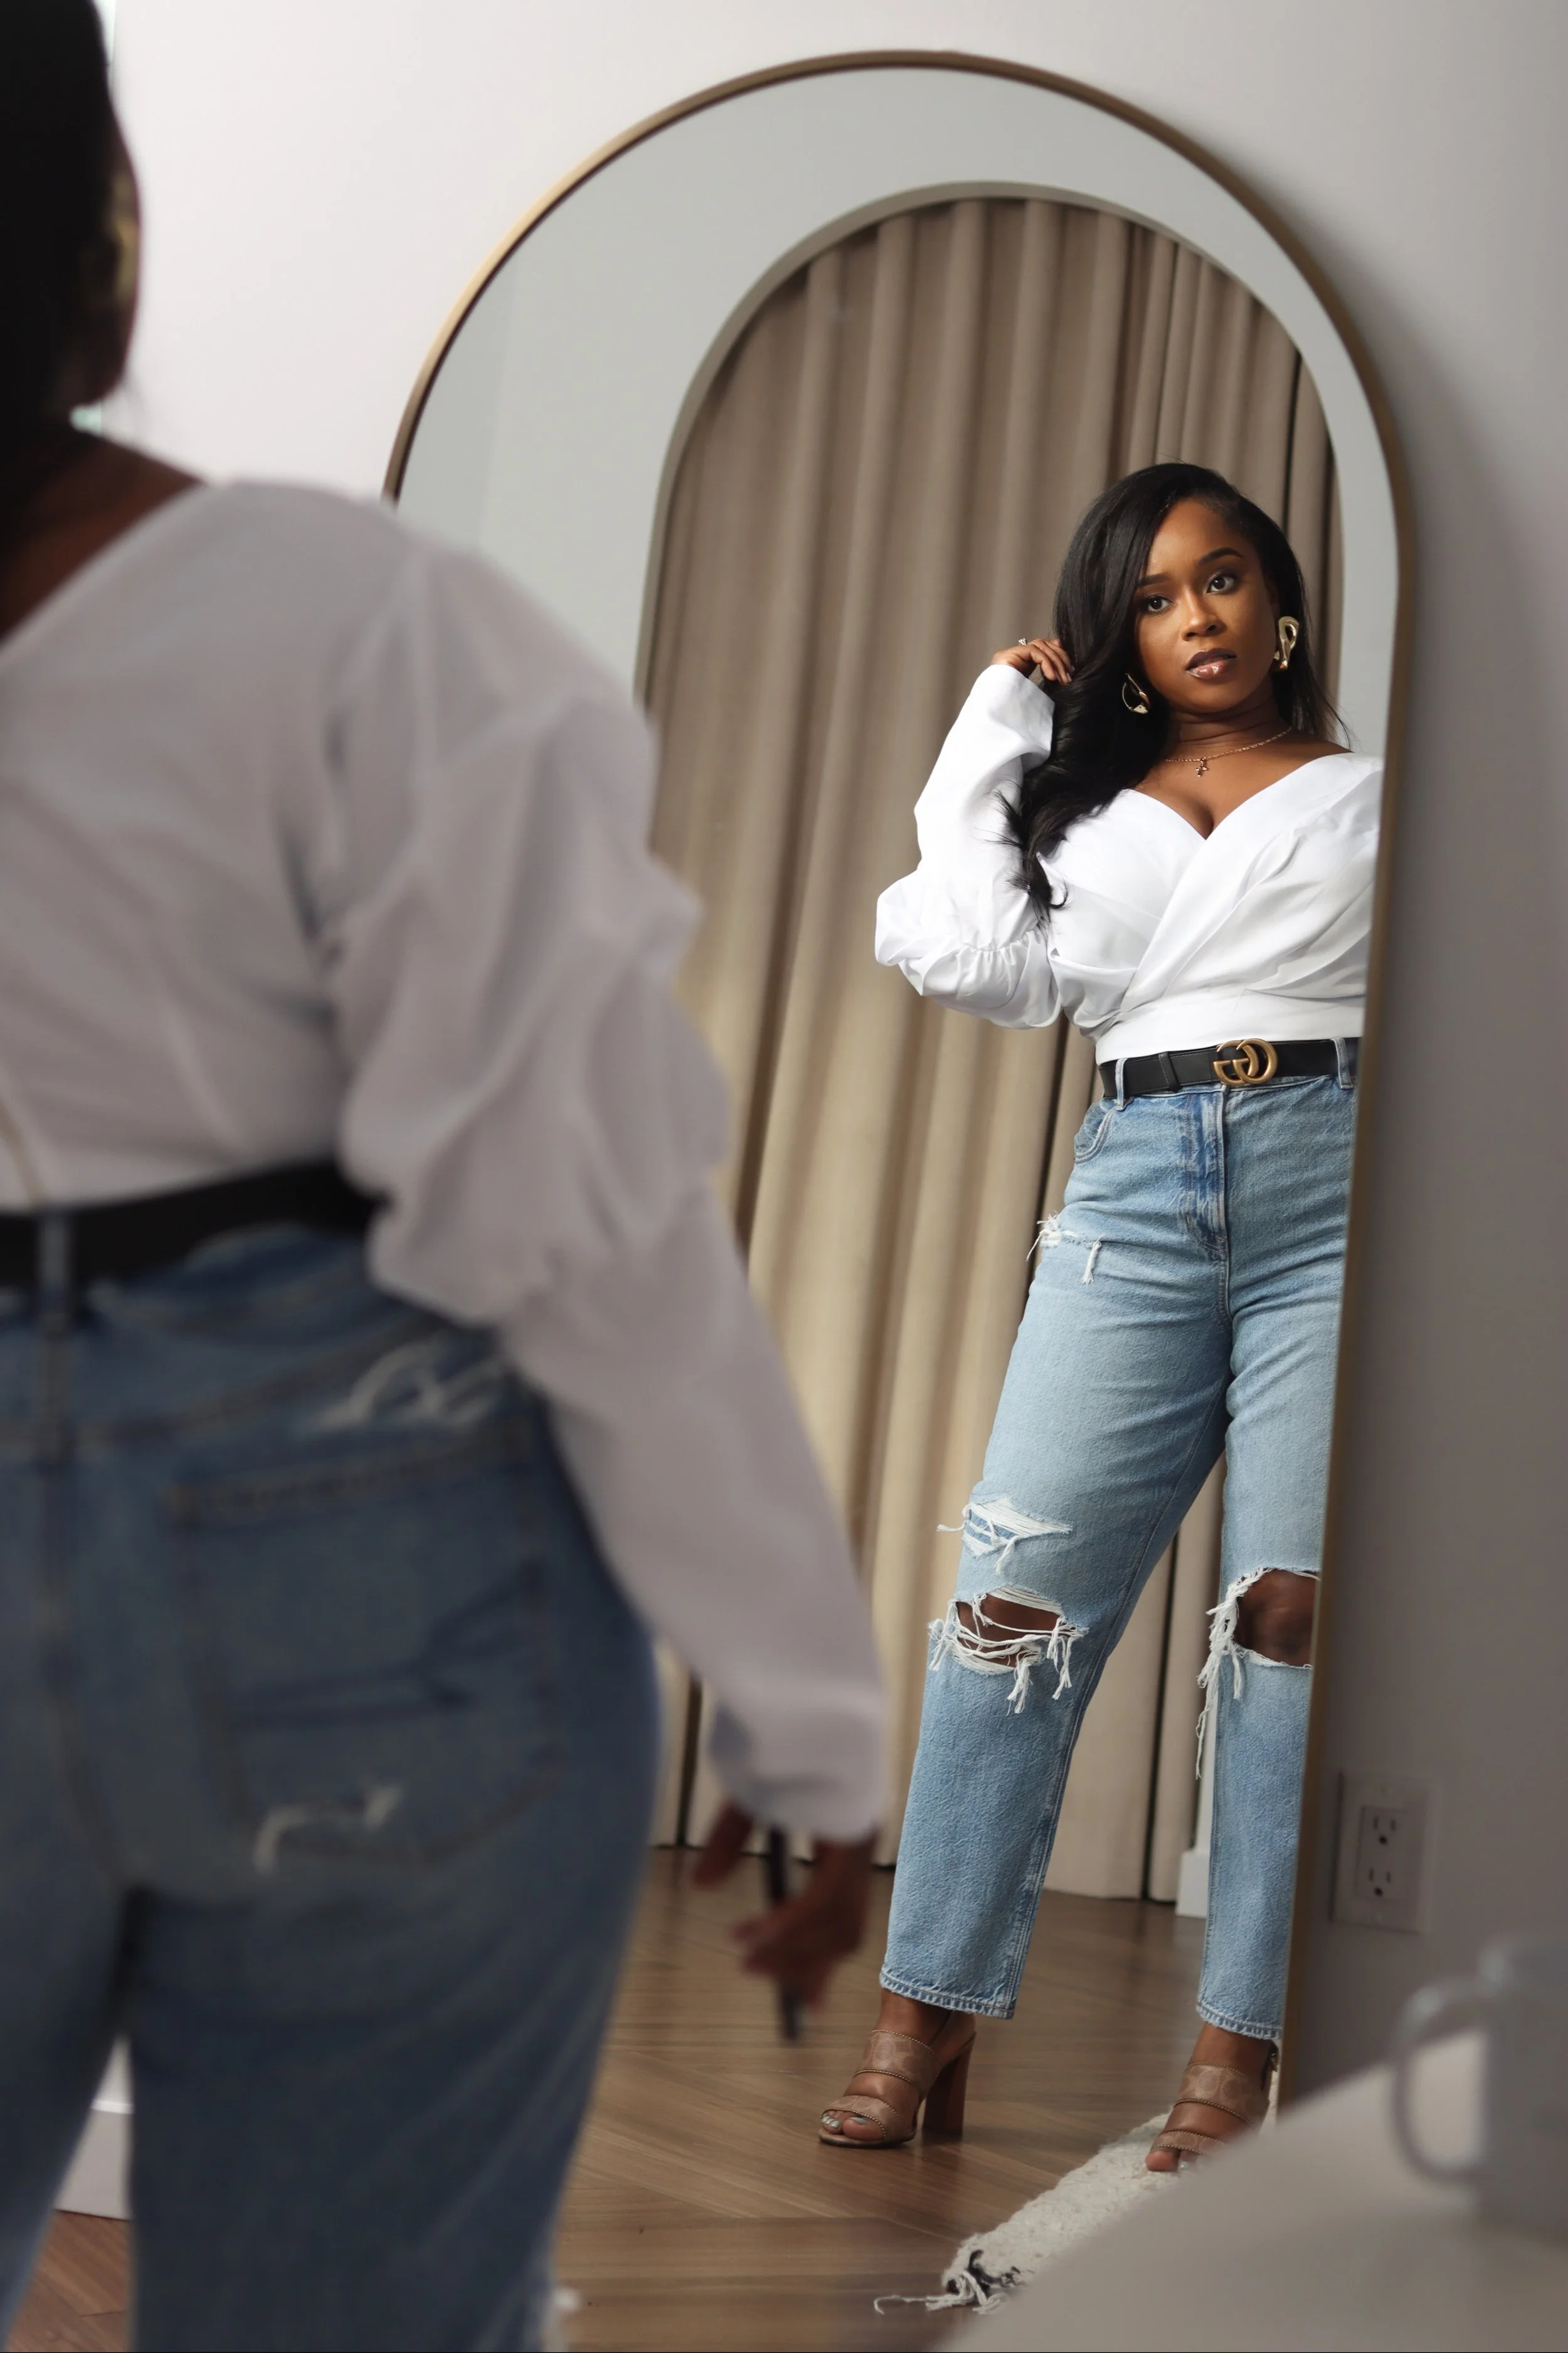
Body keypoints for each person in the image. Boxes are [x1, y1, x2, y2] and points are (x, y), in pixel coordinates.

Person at [0, 7, 881, 2347]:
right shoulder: (354, 627)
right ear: (98, 237)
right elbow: (581, 1223)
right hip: (372, 1564)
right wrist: (806, 1714)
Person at [819, 460, 1380, 2168]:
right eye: (1150, 595)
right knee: (1010, 1608)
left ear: (1276, 600)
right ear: (1114, 638)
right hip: (1136, 1178)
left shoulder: (1371, 792)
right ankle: (924, 2007)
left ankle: (1234, 2045)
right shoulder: (1080, 806)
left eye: (1218, 579)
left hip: (1344, 1184)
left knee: (1286, 1625)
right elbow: (970, 952)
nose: (1193, 616)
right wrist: (998, 716)